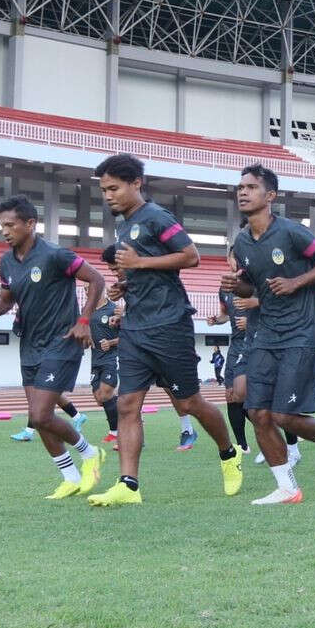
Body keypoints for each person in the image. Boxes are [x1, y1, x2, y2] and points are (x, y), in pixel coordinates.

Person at [86, 153, 244, 506]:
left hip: (169, 324)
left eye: (113, 188)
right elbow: (144, 272)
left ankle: (228, 453)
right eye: (104, 190)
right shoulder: (123, 226)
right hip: (135, 327)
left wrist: (139, 262)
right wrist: (125, 285)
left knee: (189, 403)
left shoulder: (156, 217)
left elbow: (191, 256)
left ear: (136, 183)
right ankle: (128, 485)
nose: (108, 195)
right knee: (127, 404)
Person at [221, 164, 315, 505]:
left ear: (270, 196)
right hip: (265, 333)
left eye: (251, 187)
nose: (243, 192)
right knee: (257, 413)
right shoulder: (243, 241)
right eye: (240, 187)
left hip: (301, 332)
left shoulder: (291, 232)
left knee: (283, 415)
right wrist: (239, 284)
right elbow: (253, 282)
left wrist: (295, 282)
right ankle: (287, 487)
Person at [0, 196, 107, 499]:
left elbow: (96, 279)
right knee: (36, 417)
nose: (4, 231)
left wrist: (84, 320)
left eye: (10, 224)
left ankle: (90, 452)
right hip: (29, 344)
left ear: (30, 224)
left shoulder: (56, 255)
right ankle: (69, 476)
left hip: (62, 342)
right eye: (0, 225)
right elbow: (7, 300)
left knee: (42, 415)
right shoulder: (6, 262)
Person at [206, 245, 257, 458]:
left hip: (256, 344)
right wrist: (217, 320)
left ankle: (275, 432)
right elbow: (225, 314)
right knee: (231, 396)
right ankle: (242, 446)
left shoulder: (255, 282)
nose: (234, 261)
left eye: (238, 257)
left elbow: (275, 311)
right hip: (236, 346)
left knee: (247, 396)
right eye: (232, 257)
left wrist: (252, 322)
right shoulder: (225, 286)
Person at [87, 287, 122, 446]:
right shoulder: (87, 309)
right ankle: (129, 408)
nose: (89, 290)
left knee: (106, 394)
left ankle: (114, 432)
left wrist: (111, 343)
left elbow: (127, 335)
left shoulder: (114, 309)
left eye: (91, 287)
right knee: (99, 399)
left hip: (111, 357)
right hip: (95, 359)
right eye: (87, 288)